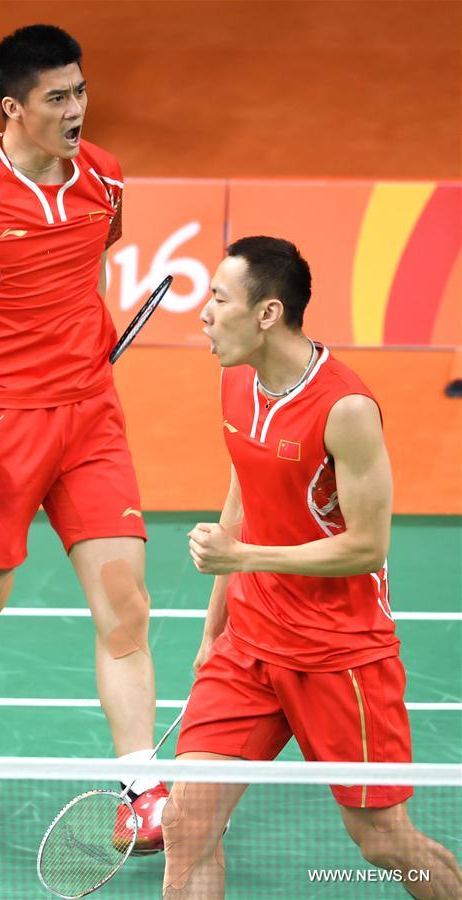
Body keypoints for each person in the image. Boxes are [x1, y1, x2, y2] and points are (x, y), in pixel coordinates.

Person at [0, 24, 167, 852]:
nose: (76, 109)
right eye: (57, 97)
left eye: (81, 90)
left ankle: (141, 788)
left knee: (125, 609)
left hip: (91, 414)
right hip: (0, 424)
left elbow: (88, 268)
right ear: (14, 107)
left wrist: (83, 341)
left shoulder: (105, 178)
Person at [161, 237, 462, 898]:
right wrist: (214, 627)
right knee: (188, 823)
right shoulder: (235, 379)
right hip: (248, 646)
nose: (204, 315)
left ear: (268, 314)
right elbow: (245, 490)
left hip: (339, 656)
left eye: (218, 299)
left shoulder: (345, 409)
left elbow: (367, 547)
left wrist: (241, 558)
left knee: (384, 842)